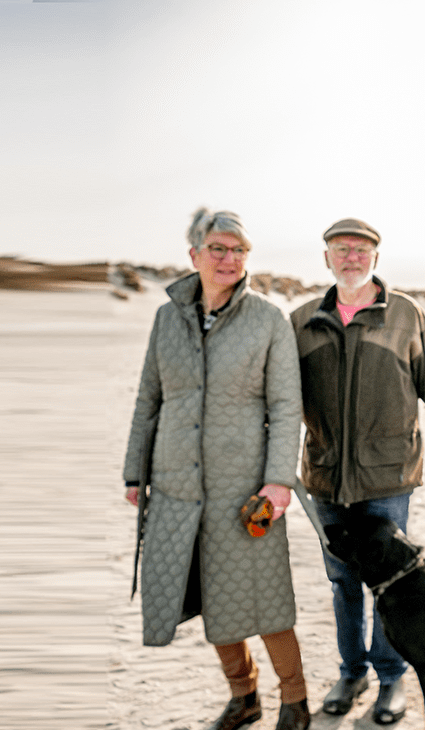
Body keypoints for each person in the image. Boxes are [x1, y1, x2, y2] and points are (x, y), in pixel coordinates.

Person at [123, 207, 310, 730]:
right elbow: (149, 398)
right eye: (219, 249)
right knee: (211, 596)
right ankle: (243, 696)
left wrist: (278, 480)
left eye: (239, 250)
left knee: (265, 599)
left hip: (245, 488)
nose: (229, 259)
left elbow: (286, 406)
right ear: (194, 255)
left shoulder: (267, 319)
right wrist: (134, 473)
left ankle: (295, 702)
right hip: (178, 486)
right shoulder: (167, 318)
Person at [290, 217, 425, 725]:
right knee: (343, 583)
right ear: (326, 257)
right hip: (324, 479)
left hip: (388, 480)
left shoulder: (406, 316)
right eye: (340, 249)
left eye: (361, 249)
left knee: (389, 585)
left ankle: (390, 680)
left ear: (375, 257)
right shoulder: (301, 320)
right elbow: (279, 401)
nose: (351, 256)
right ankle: (352, 672)